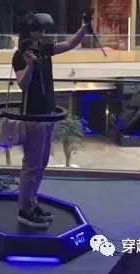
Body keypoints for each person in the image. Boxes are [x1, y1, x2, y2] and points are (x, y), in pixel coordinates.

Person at [12, 12, 91, 228]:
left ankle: (32, 203)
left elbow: (70, 44)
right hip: (33, 116)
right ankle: (25, 211)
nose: (42, 33)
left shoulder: (45, 50)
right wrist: (30, 65)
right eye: (39, 30)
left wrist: (84, 28)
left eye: (43, 30)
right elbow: (22, 85)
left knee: (42, 164)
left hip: (48, 114)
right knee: (32, 165)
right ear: (29, 32)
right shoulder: (20, 55)